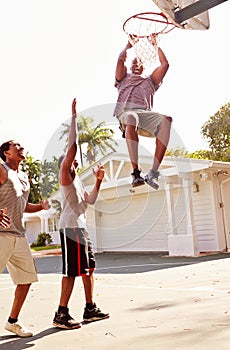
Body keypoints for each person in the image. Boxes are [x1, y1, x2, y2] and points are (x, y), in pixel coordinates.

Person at [53, 98, 109, 330]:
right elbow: (73, 147)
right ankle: (61, 314)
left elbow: (91, 201)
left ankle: (90, 308)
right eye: (70, 160)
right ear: (65, 164)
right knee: (72, 272)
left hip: (81, 228)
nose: (74, 160)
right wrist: (74, 117)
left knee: (88, 270)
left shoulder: (78, 181)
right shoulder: (65, 176)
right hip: (71, 229)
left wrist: (98, 182)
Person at [0, 140, 50, 337]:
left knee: (25, 279)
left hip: (19, 235)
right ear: (6, 153)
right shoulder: (2, 170)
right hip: (1, 233)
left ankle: (12, 322)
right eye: (16, 145)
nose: (21, 147)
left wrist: (41, 206)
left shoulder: (22, 176)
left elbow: (23, 204)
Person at [114, 41, 172, 190]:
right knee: (131, 117)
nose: (136, 64)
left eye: (139, 62)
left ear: (143, 66)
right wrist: (127, 46)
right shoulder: (123, 79)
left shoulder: (150, 81)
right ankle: (136, 172)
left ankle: (153, 172)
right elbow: (120, 61)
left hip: (145, 115)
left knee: (167, 120)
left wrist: (156, 44)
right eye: (133, 63)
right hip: (127, 114)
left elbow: (165, 64)